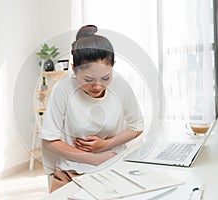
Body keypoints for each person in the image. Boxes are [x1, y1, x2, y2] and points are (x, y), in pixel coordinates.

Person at [40, 25, 144, 192]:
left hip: (114, 166)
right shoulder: (64, 89)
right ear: (74, 69)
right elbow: (49, 141)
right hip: (72, 172)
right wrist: (94, 158)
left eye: (105, 77)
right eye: (88, 79)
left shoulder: (120, 86)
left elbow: (137, 126)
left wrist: (104, 144)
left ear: (113, 66)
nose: (98, 85)